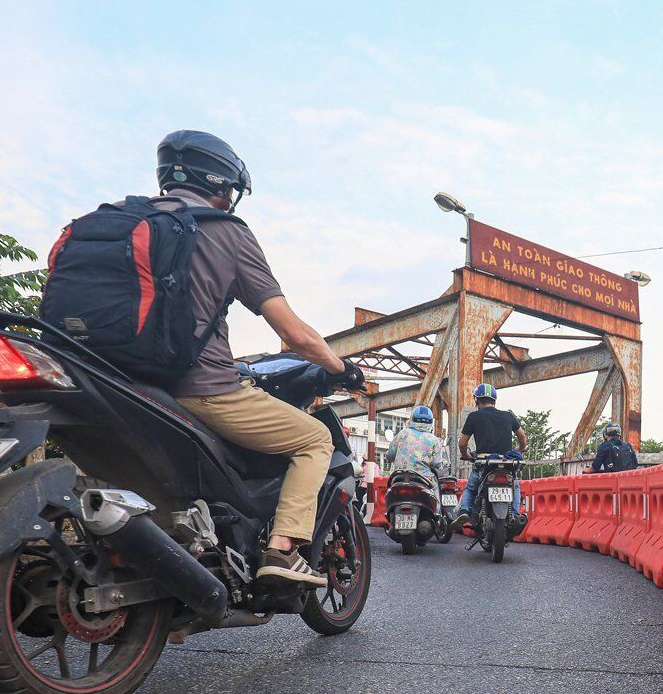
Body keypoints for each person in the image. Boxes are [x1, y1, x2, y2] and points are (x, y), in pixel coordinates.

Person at [154, 130, 354, 586]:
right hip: (200, 387)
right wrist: (340, 368)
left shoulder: (124, 221)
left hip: (119, 382)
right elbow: (294, 334)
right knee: (314, 439)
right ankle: (281, 551)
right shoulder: (226, 231)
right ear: (223, 186)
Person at [452, 383, 528, 527]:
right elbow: (523, 438)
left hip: (484, 462)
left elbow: (462, 443)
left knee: (471, 488)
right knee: (515, 487)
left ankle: (464, 511)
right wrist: (519, 449)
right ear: (494, 400)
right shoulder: (508, 415)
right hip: (506, 463)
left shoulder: (474, 416)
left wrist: (466, 455)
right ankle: (515, 515)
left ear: (477, 400)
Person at [385, 406, 450, 487]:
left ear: (412, 418)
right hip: (424, 480)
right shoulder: (434, 440)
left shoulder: (403, 433)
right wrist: (445, 463)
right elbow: (436, 463)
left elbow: (390, 455)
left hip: (399, 478)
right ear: (430, 422)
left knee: (389, 492)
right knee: (436, 490)